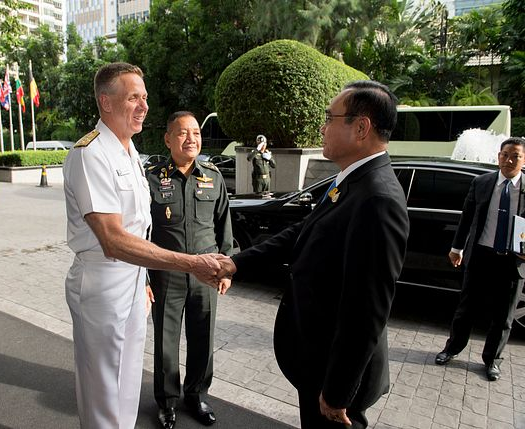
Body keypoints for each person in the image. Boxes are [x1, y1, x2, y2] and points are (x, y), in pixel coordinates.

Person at [217, 81, 409, 428]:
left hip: (336, 380)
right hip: (317, 362)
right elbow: (304, 231)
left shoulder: (377, 199)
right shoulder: (352, 181)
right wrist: (236, 262)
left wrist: (337, 393)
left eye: (329, 118)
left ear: (361, 127)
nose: (322, 127)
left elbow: (367, 311)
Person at [62, 62, 223, 429]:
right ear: (106, 101)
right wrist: (190, 263)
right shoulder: (91, 154)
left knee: (127, 383)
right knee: (103, 392)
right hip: (103, 284)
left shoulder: (130, 151)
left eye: (145, 97)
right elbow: (114, 239)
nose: (144, 105)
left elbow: (141, 227)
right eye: (133, 97)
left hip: (134, 282)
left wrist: (146, 279)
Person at [146, 111, 233, 429]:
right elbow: (142, 231)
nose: (191, 138)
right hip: (166, 274)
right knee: (166, 341)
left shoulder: (213, 175)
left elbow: (224, 226)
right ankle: (167, 402)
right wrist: (143, 277)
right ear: (168, 138)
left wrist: (226, 269)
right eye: (183, 133)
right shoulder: (152, 177)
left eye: (196, 132)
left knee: (203, 338)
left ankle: (196, 395)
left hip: (206, 274)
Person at [435, 137, 525, 381]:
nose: (509, 160)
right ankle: (451, 349)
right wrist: (457, 248)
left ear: (523, 159)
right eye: (505, 154)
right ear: (498, 156)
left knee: (504, 316)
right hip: (481, 256)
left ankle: (492, 360)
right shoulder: (482, 183)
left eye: (515, 156)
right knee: (466, 308)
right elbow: (467, 218)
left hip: (513, 260)